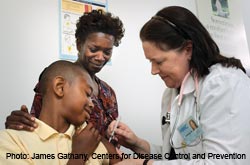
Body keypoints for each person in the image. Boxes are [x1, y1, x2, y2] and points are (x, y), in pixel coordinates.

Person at [107, 6, 250, 165]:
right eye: (150, 61)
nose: (153, 71)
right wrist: (137, 144)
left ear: (188, 49)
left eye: (159, 61)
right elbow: (176, 157)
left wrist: (145, 164)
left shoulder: (224, 84)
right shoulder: (171, 94)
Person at [5, 9, 125, 139]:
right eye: (94, 49)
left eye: (107, 52)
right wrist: (20, 123)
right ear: (79, 45)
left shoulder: (108, 93)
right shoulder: (57, 79)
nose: (101, 57)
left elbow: (112, 136)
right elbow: (38, 128)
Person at [0, 60, 121, 165]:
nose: (92, 104)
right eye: (87, 94)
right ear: (60, 87)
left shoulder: (89, 139)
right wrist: (79, 156)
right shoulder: (13, 140)